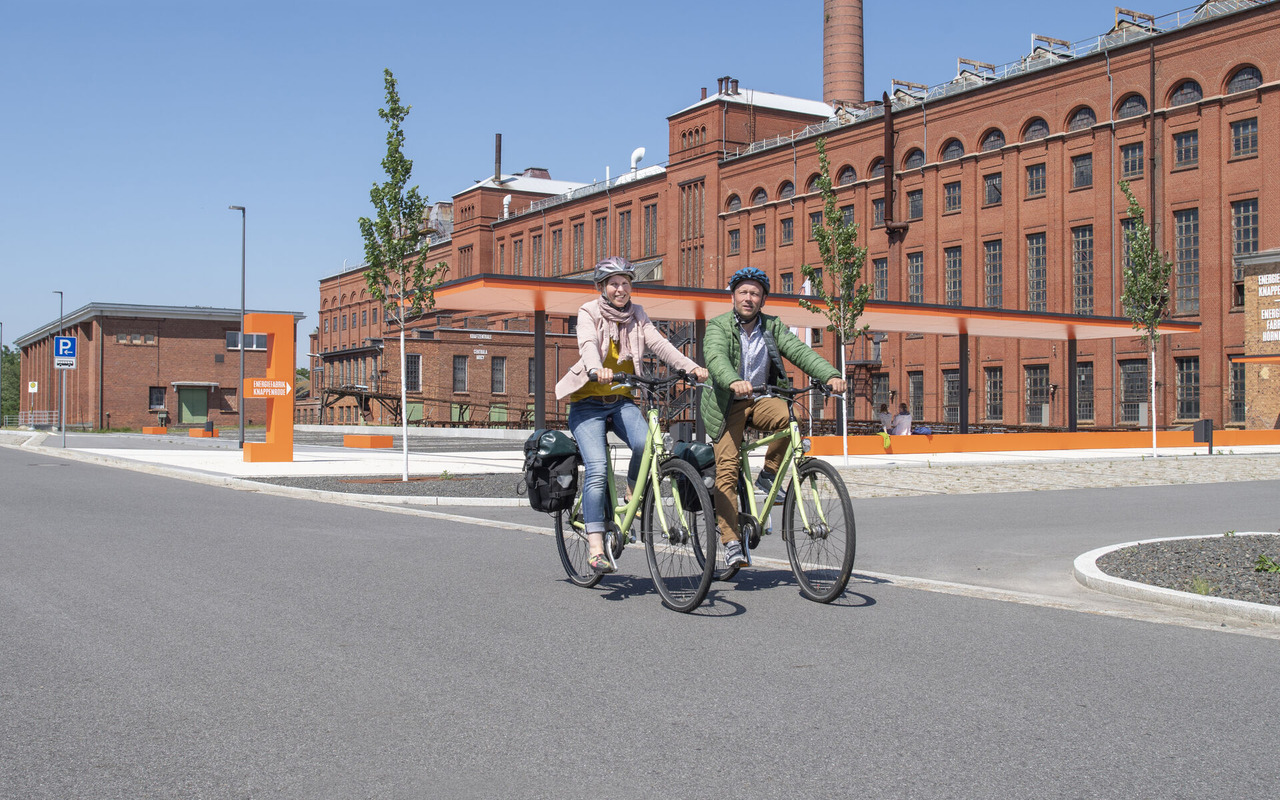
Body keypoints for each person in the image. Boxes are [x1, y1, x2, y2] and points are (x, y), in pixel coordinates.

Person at [555, 256, 709, 574]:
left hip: (621, 400)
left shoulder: (637, 314)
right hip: (587, 404)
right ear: (602, 287)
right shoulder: (589, 311)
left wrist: (690, 366)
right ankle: (596, 547)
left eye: (625, 283)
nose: (620, 289)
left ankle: (630, 494)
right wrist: (596, 368)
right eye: (614, 283)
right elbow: (588, 343)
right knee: (598, 469)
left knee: (645, 444)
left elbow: (660, 345)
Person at [700, 267, 847, 568]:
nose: (748, 298)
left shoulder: (772, 326)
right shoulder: (718, 326)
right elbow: (716, 358)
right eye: (743, 292)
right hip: (727, 404)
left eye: (755, 293)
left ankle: (768, 476)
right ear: (733, 296)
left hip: (760, 400)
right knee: (726, 470)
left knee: (790, 418)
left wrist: (830, 375)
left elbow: (801, 352)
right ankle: (730, 541)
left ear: (763, 299)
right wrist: (732, 380)